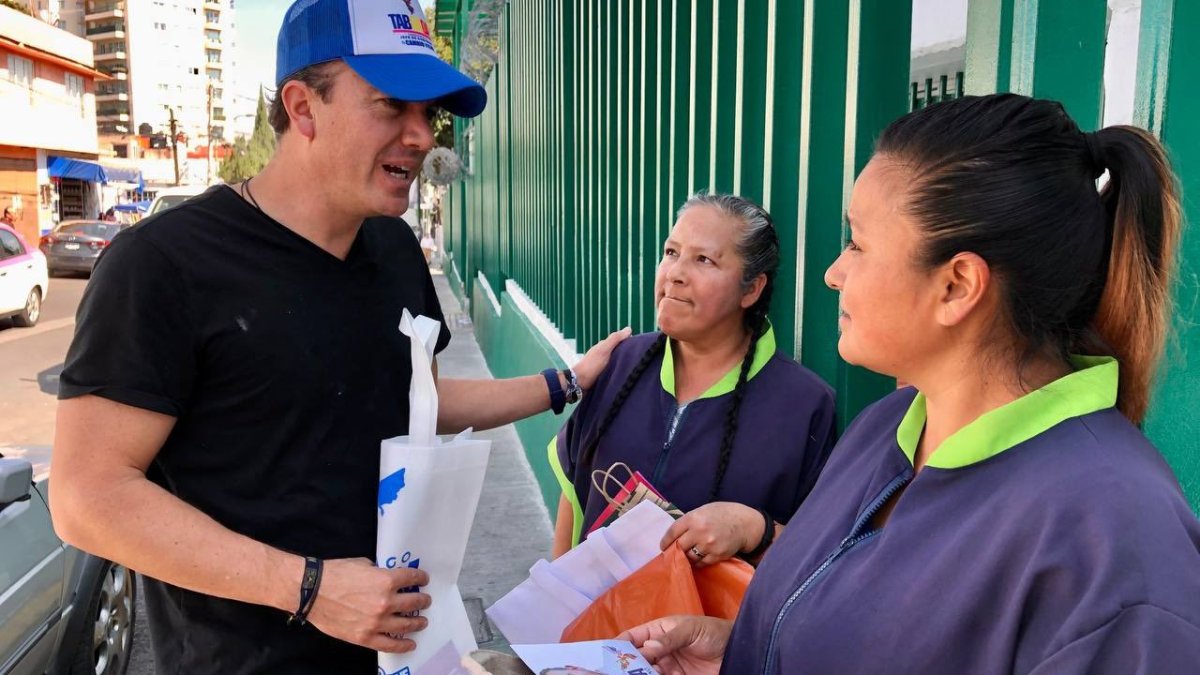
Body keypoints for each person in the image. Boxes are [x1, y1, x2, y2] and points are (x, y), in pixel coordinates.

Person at [48, 1, 628, 673]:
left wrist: (567, 382)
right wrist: (309, 588)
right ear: (302, 107)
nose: (420, 135)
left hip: (398, 651)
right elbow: (87, 497)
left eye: (428, 113)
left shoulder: (394, 248)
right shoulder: (163, 265)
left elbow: (419, 399)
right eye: (392, 105)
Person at [620, 94, 1200, 673]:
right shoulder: (887, 428)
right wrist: (743, 652)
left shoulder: (1116, 548)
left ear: (957, 286)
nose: (833, 273)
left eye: (857, 243)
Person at [550, 194, 837, 565]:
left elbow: (812, 556)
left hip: (715, 623)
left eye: (704, 259)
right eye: (671, 252)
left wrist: (754, 529)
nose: (675, 273)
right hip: (594, 619)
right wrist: (554, 605)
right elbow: (573, 495)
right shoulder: (617, 364)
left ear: (751, 289)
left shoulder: (804, 405)